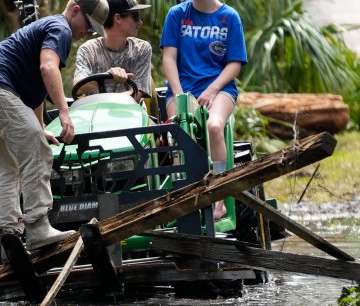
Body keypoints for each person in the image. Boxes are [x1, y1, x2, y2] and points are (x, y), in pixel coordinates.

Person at [0, 1, 108, 249]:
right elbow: (47, 67)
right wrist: (64, 111)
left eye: (93, 31)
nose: (87, 34)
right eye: (88, 26)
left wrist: (40, 127)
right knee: (39, 151)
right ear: (74, 10)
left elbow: (36, 92)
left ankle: (9, 231)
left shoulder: (47, 28)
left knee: (7, 165)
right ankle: (38, 227)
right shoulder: (60, 28)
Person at [159, 0, 247, 219]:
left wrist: (212, 89)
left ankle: (219, 197)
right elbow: (169, 58)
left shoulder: (230, 17)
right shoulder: (177, 14)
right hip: (182, 88)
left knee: (214, 126)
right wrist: (180, 96)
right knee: (179, 135)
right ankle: (183, 199)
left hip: (219, 88)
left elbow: (234, 63)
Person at [72, 0, 154, 103]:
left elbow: (138, 93)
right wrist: (108, 76)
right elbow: (78, 86)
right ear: (118, 18)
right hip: (96, 114)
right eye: (135, 17)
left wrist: (108, 104)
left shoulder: (142, 49)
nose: (140, 22)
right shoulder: (88, 50)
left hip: (131, 113)